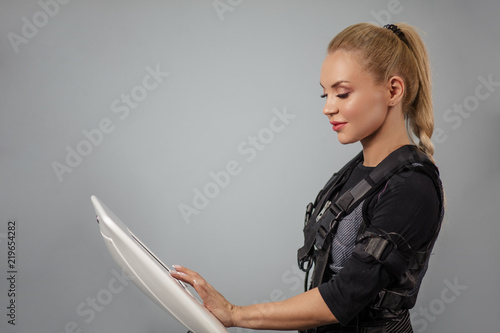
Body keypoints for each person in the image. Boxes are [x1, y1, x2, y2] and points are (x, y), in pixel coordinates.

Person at [171, 22, 444, 332]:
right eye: (324, 94)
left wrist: (235, 314)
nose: (328, 108)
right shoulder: (358, 172)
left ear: (393, 90)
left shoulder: (412, 188)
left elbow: (345, 297)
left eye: (342, 93)